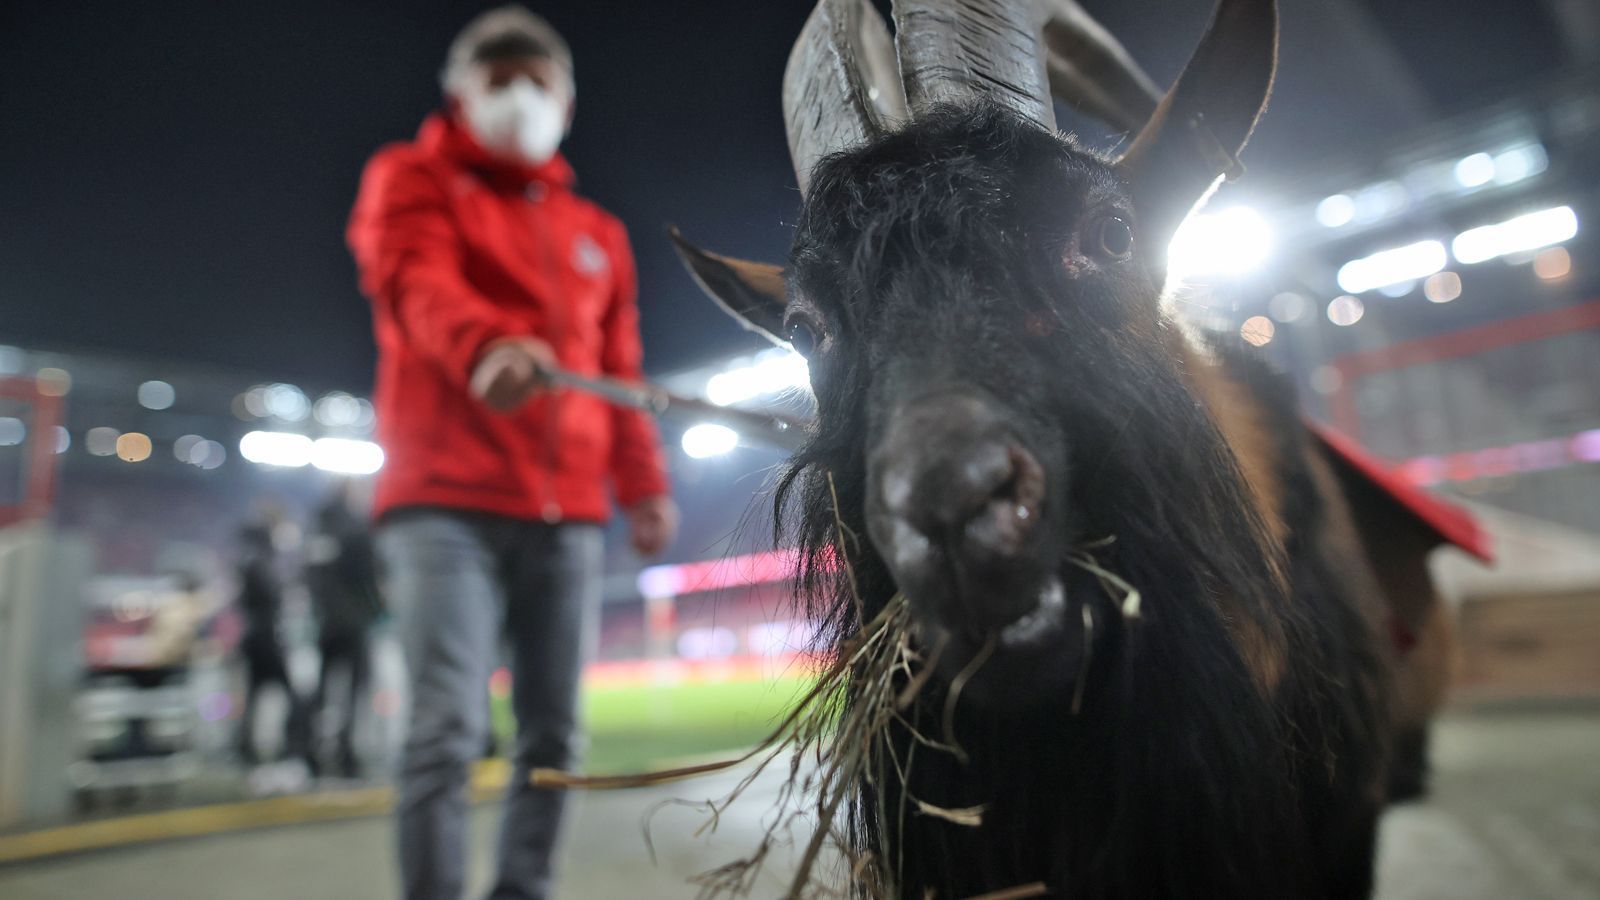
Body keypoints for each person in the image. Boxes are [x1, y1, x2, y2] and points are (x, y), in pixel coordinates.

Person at [346, 8, 678, 899]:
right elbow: (417, 284)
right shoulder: (409, 178)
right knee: (446, 728)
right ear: (459, 93)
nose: (520, 96)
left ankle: (523, 891)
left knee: (556, 736)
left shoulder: (597, 232)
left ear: (567, 99)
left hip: (567, 509)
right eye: (497, 80)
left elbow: (621, 369)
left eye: (538, 80)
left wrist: (641, 483)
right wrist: (489, 345)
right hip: (443, 501)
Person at [304, 483, 383, 779]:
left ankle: (310, 752)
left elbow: (309, 577)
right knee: (355, 691)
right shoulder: (356, 528)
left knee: (322, 689)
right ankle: (347, 755)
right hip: (354, 622)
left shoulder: (317, 530)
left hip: (326, 623)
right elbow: (368, 575)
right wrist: (377, 611)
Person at [233, 519, 311, 769]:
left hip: (253, 638)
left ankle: (244, 746)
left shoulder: (246, 561)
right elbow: (273, 596)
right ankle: (294, 747)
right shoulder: (260, 563)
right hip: (266, 640)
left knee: (254, 697)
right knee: (294, 697)